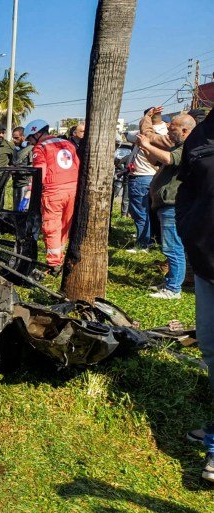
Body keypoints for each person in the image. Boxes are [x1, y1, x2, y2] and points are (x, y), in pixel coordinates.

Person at [176, 109, 214, 482]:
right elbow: (187, 188)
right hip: (207, 268)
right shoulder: (200, 137)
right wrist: (190, 231)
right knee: (210, 349)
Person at [137, 113, 196, 299]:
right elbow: (157, 161)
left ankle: (173, 289)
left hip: (173, 204)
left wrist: (147, 144)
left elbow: (170, 159)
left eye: (173, 130)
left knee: (173, 247)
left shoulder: (188, 145)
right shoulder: (179, 145)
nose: (168, 133)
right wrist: (145, 148)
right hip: (167, 204)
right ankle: (172, 281)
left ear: (185, 131)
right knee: (171, 246)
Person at [26, 119, 80, 275]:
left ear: (37, 133)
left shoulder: (40, 148)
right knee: (64, 225)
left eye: (30, 137)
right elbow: (77, 164)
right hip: (72, 189)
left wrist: (31, 194)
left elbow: (39, 173)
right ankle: (60, 257)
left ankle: (54, 264)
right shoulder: (67, 144)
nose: (30, 141)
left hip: (53, 191)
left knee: (51, 226)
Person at [126, 108, 167, 252]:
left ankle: (143, 243)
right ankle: (154, 239)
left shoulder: (144, 136)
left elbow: (127, 135)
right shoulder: (166, 135)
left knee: (140, 213)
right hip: (155, 177)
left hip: (140, 177)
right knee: (153, 212)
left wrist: (146, 117)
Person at [12, 126, 34, 211]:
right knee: (16, 211)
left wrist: (18, 169)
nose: (14, 140)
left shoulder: (31, 149)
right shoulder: (16, 150)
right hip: (16, 184)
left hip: (25, 185)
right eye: (13, 138)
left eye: (16, 138)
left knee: (23, 211)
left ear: (23, 137)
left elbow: (33, 168)